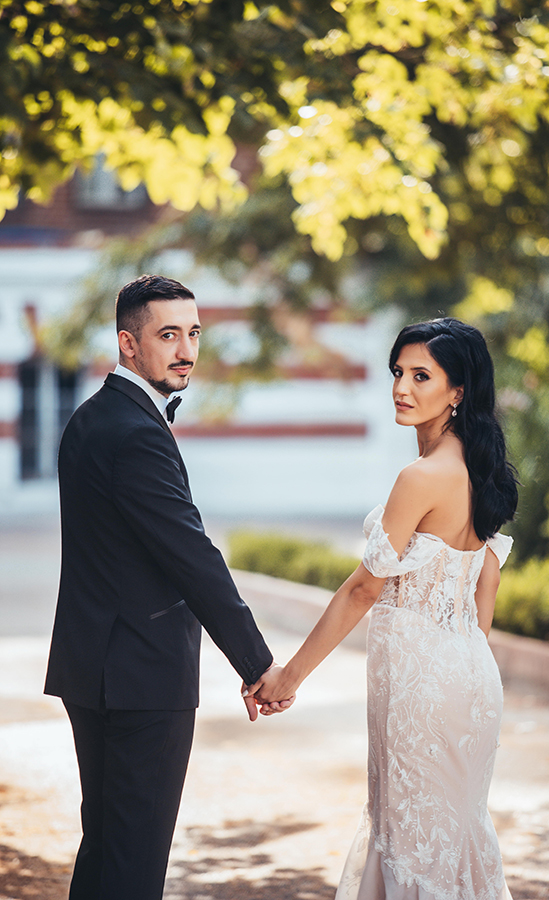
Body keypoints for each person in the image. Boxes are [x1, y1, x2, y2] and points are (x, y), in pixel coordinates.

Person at [246, 317, 519, 900]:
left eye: (422, 375)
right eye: (398, 371)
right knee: (452, 838)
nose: (402, 387)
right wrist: (452, 659)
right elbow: (483, 604)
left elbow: (362, 590)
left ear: (458, 391)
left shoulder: (420, 477)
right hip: (468, 677)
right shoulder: (483, 472)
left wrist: (287, 676)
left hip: (421, 685)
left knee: (413, 842)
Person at [44, 274, 291, 900]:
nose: (186, 350)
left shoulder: (91, 420)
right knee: (133, 863)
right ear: (129, 344)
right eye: (168, 335)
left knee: (104, 848)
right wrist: (258, 663)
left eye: (194, 334)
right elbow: (192, 558)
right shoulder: (135, 433)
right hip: (141, 677)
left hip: (94, 669)